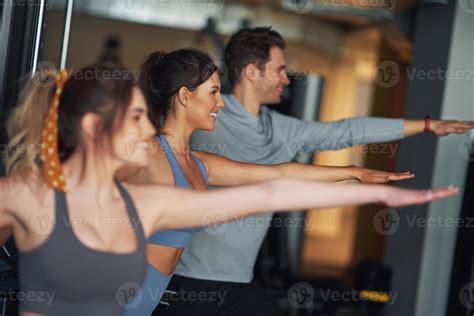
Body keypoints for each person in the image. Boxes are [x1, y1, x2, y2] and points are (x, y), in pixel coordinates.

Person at [0, 63, 456, 316]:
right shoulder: (26, 194)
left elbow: (271, 189)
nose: (147, 130)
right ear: (94, 127)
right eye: (135, 119)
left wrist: (359, 183)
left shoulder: (157, 193)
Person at [157, 27, 474, 316]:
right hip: (188, 281)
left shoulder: (281, 129)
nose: (286, 77)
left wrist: (427, 125)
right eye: (279, 70)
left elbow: (343, 133)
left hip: (239, 281)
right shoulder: (206, 116)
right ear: (252, 72)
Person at [119, 49, 415, 315]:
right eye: (213, 92)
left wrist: (354, 172)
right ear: (185, 95)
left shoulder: (200, 163)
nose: (221, 103)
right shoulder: (152, 153)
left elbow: (280, 173)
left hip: (152, 298)